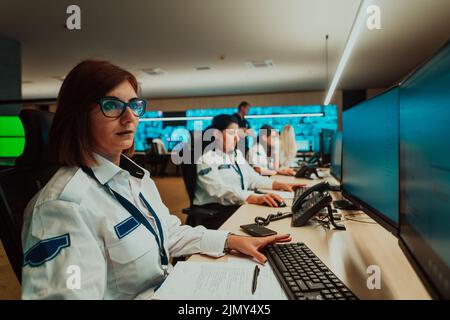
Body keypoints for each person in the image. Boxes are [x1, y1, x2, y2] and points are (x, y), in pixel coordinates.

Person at [21, 60, 291, 300]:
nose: (130, 118)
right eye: (112, 105)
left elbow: (169, 233)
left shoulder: (134, 178)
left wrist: (230, 240)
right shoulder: (63, 208)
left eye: (135, 106)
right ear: (78, 115)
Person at [194, 115, 302, 221]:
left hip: (239, 204)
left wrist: (279, 185)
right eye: (232, 134)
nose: (237, 138)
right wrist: (251, 197)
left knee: (280, 214)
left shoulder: (236, 155)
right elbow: (219, 189)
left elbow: (253, 178)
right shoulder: (206, 159)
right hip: (216, 211)